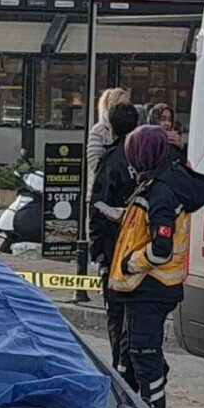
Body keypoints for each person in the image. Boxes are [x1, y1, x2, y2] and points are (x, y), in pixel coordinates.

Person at [106, 124, 204, 408]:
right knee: (129, 351)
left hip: (150, 286)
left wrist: (131, 262)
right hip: (143, 288)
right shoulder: (158, 182)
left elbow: (161, 247)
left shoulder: (162, 191)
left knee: (144, 354)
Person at [90, 102, 144, 379]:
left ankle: (122, 375)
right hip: (146, 253)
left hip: (116, 254)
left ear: (110, 129)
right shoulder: (150, 156)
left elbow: (98, 206)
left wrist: (97, 252)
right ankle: (141, 371)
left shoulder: (111, 161)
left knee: (117, 316)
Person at [86, 87, 134, 269]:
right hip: (105, 192)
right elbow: (94, 161)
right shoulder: (100, 130)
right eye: (122, 104)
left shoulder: (133, 131)